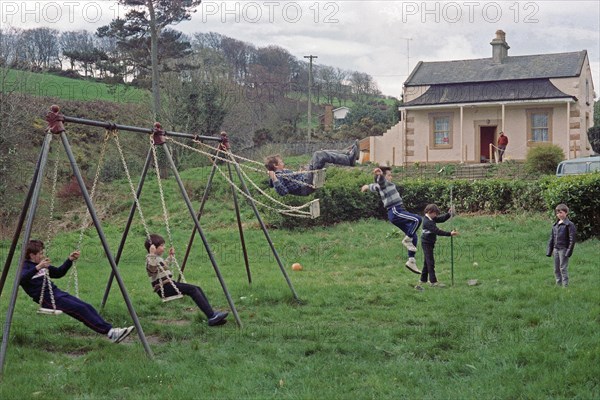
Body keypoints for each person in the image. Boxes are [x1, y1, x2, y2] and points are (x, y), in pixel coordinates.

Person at [20, 240, 135, 343]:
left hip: (57, 293)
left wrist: (69, 260)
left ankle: (112, 331)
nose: (42, 255)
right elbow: (21, 280)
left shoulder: (40, 265)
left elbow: (59, 273)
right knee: (80, 309)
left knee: (86, 306)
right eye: (40, 253)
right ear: (32, 255)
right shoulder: (26, 267)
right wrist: (38, 268)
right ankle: (110, 332)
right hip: (47, 299)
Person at [145, 234, 228, 326]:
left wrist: (170, 257)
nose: (164, 247)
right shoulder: (150, 259)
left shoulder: (157, 258)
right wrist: (151, 254)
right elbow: (151, 270)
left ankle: (212, 314)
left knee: (197, 288)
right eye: (161, 245)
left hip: (169, 285)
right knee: (193, 290)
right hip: (164, 288)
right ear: (153, 247)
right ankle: (211, 316)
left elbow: (163, 266)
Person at [361, 166, 422, 274]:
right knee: (417, 220)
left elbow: (374, 186)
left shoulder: (382, 186)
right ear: (384, 177)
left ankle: (411, 261)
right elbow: (380, 182)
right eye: (389, 175)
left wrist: (366, 186)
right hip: (395, 210)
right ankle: (407, 240)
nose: (391, 177)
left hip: (397, 212)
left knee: (413, 235)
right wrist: (379, 174)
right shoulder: (384, 183)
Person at [265, 140, 360, 196]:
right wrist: (274, 179)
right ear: (275, 165)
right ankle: (349, 159)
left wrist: (300, 172)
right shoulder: (278, 176)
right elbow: (283, 192)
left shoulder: (283, 173)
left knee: (321, 153)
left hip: (305, 180)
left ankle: (348, 154)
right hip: (305, 185)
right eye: (281, 162)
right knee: (318, 155)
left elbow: (292, 181)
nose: (283, 162)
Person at [415, 204, 459, 290]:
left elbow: (441, 219)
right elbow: (437, 231)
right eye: (435, 213)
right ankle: (433, 282)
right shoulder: (427, 222)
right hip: (426, 243)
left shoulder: (431, 218)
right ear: (429, 212)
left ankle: (423, 279)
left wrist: (449, 214)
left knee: (426, 262)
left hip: (430, 243)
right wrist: (449, 234)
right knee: (430, 262)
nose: (436, 215)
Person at [546, 204, 576, 287]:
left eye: (561, 212)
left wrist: (568, 251)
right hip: (556, 249)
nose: (559, 214)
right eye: (557, 213)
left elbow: (572, 239)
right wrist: (550, 250)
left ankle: (565, 285)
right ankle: (558, 284)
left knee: (563, 267)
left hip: (563, 249)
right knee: (556, 268)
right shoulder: (555, 225)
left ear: (566, 213)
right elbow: (551, 238)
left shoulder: (569, 225)